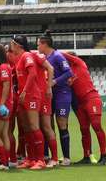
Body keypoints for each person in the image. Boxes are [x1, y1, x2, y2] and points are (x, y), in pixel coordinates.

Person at [62, 51, 106, 165]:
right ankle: (86, 156)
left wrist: (55, 52)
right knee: (84, 129)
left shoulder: (79, 62)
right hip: (81, 103)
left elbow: (63, 55)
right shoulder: (69, 72)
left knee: (96, 125)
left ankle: (104, 155)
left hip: (92, 98)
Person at [38, 30, 73, 166]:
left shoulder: (57, 56)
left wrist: (55, 81)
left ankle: (66, 158)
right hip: (49, 95)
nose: (37, 48)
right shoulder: (44, 58)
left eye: (38, 45)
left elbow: (68, 72)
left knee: (61, 124)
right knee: (48, 125)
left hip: (62, 94)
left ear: (44, 44)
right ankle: (49, 156)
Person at [11, 35, 46, 170]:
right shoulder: (19, 58)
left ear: (18, 45)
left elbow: (33, 74)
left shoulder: (27, 56)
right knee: (26, 128)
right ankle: (31, 158)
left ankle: (40, 160)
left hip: (31, 96)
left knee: (34, 126)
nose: (10, 46)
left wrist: (25, 91)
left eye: (12, 43)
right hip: (23, 96)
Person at [30, 47, 58, 168]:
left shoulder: (34, 54)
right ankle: (39, 158)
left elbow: (50, 68)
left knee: (46, 126)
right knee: (38, 127)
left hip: (43, 96)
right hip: (36, 96)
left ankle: (55, 158)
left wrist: (48, 87)